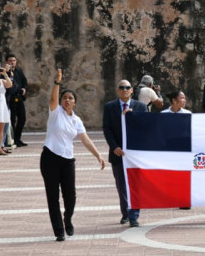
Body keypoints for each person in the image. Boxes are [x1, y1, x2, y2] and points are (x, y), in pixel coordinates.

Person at [41, 69, 106, 241]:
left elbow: (85, 139)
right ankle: (59, 231)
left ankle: (67, 218)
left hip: (67, 160)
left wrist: (98, 155)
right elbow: (52, 99)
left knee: (70, 196)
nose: (67, 100)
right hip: (50, 158)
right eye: (65, 98)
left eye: (70, 98)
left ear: (75, 102)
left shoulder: (76, 120)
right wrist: (57, 83)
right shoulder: (55, 113)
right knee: (52, 196)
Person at [103, 80, 148, 227]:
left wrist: (132, 116)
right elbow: (107, 129)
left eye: (127, 88)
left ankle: (134, 215)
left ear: (132, 90)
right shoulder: (109, 107)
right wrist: (114, 147)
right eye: (121, 88)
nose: (124, 90)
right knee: (122, 185)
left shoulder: (140, 107)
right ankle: (126, 213)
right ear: (117, 90)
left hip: (135, 155)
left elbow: (146, 127)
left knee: (135, 185)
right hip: (118, 154)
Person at [3, 53, 29, 147]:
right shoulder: (5, 73)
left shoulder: (19, 71)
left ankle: (18, 138)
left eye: (14, 61)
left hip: (19, 97)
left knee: (22, 118)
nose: (12, 63)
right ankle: (12, 139)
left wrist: (24, 89)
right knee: (12, 119)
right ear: (6, 62)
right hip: (11, 99)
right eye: (10, 61)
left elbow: (24, 82)